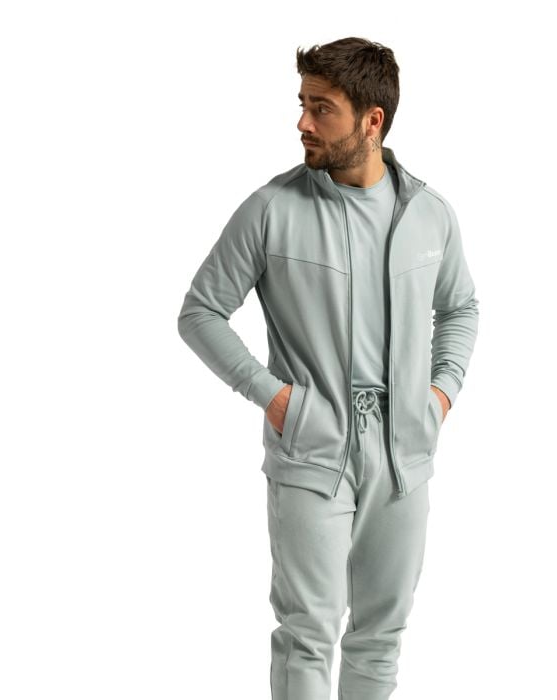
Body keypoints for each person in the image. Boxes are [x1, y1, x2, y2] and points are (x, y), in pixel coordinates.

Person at [177, 36, 479, 700]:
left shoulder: (429, 214)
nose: (303, 123)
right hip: (314, 446)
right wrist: (275, 397)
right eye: (303, 104)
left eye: (322, 108)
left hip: (404, 449)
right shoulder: (271, 209)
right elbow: (200, 312)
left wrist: (440, 395)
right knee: (307, 634)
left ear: (372, 121)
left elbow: (460, 307)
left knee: (380, 635)